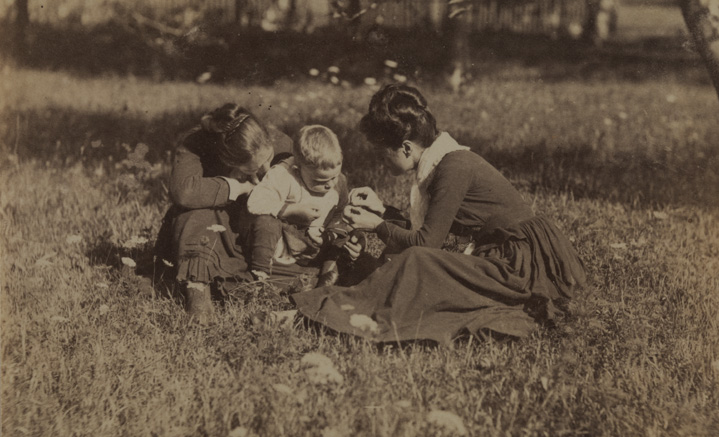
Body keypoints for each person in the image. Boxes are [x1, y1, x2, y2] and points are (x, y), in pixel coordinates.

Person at [290, 84, 587, 345]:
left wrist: (378, 225)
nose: (382, 162)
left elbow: (426, 244)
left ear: (406, 148)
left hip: (520, 265)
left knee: (416, 262)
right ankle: (338, 307)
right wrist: (382, 211)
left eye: (383, 154)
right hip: (506, 254)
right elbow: (437, 232)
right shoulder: (442, 162)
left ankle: (323, 313)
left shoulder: (453, 168)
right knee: (419, 268)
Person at [155, 102, 294, 323]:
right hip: (207, 231)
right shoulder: (195, 143)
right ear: (229, 161)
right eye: (253, 168)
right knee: (193, 215)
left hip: (252, 229)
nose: (266, 170)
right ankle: (198, 292)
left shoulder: (280, 142)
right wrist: (238, 187)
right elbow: (184, 192)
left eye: (268, 159)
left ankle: (244, 284)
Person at [247, 125, 364, 287]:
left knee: (351, 234)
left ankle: (327, 276)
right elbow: (254, 202)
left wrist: (329, 235)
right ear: (298, 169)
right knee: (265, 222)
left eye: (334, 177)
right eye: (319, 181)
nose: (330, 185)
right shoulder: (284, 174)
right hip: (284, 240)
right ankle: (260, 275)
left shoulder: (338, 182)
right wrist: (291, 210)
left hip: (316, 242)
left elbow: (340, 212)